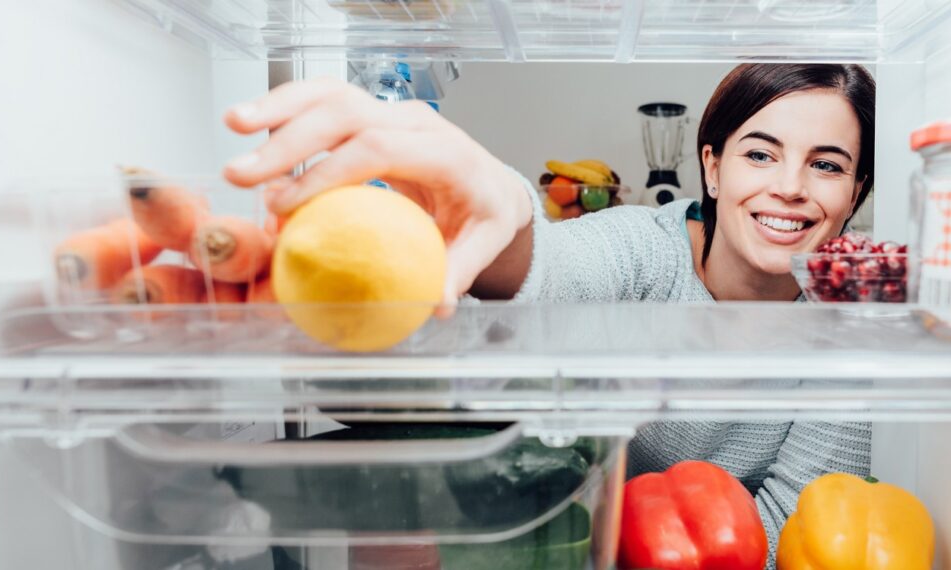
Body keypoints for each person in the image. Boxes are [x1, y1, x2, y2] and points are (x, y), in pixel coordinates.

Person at [223, 63, 875, 566]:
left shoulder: (848, 325)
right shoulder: (645, 247)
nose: (790, 186)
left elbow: (804, 524)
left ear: (855, 195)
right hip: (572, 538)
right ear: (711, 166)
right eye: (760, 153)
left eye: (826, 165)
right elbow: (556, 269)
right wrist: (503, 215)